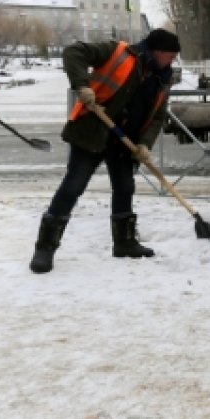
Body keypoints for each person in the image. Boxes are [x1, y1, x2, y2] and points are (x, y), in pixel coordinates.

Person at [29, 28, 181, 274]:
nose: (172, 61)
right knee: (73, 186)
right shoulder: (118, 52)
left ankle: (124, 242)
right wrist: (81, 85)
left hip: (125, 141)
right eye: (171, 56)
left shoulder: (162, 77)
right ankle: (44, 248)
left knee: (125, 188)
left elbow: (158, 116)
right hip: (93, 132)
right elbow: (73, 52)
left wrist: (145, 144)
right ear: (158, 51)